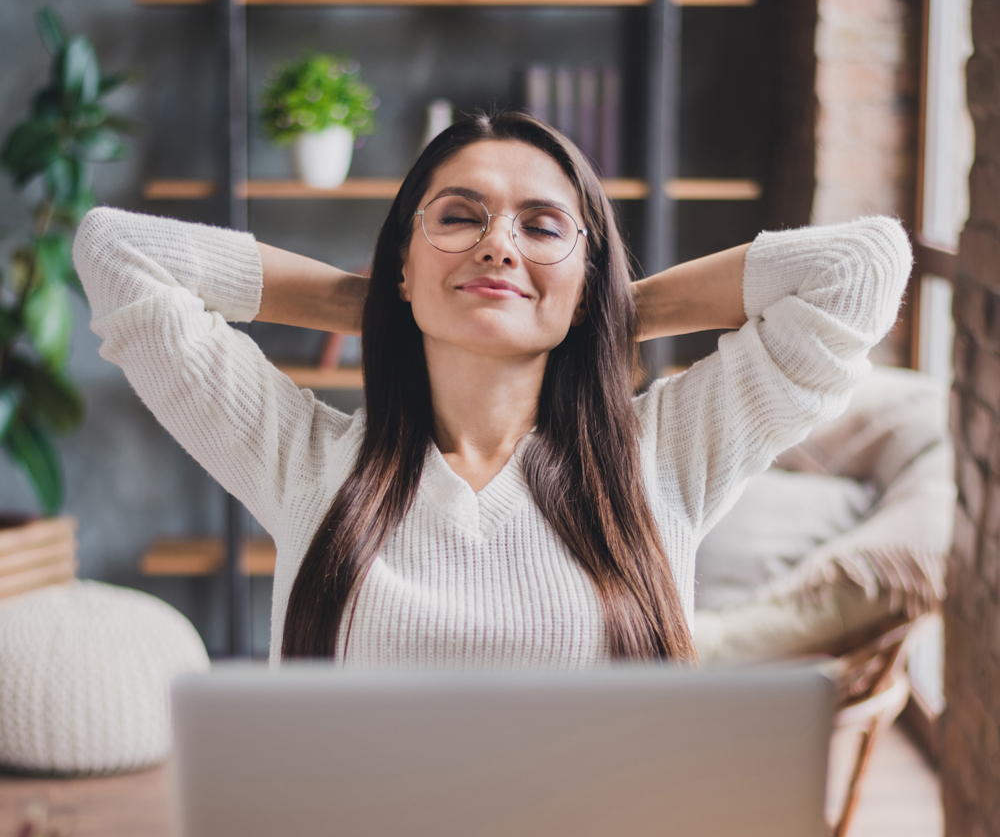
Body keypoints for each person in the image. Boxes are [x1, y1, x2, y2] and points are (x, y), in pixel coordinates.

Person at [74, 110, 911, 667]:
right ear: (404, 258)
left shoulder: (665, 454)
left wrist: (606, 312)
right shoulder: (303, 462)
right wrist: (375, 302)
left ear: (588, 276)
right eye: (459, 217)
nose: (498, 245)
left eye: (541, 226)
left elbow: (861, 266)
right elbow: (117, 253)